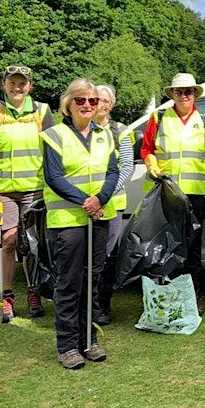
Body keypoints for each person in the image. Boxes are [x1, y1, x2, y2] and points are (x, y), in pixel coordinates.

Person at [41, 79, 119, 369]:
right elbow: (54, 176)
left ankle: (89, 340)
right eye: (81, 100)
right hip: (68, 220)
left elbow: (113, 172)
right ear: (68, 104)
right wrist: (85, 200)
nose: (88, 105)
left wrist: (100, 198)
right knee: (70, 282)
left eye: (93, 101)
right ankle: (67, 345)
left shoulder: (106, 135)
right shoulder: (54, 135)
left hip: (99, 216)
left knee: (93, 280)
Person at [0, 65, 55, 322]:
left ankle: (33, 291)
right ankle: (6, 297)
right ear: (4, 84)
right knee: (9, 242)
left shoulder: (42, 112)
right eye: (12, 83)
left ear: (30, 86)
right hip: (3, 191)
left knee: (31, 243)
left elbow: (53, 151)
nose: (17, 88)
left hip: (33, 188)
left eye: (22, 83)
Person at [140, 73, 205, 300]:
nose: (184, 95)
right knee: (166, 243)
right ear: (172, 94)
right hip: (167, 191)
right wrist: (151, 163)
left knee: (193, 245)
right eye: (179, 91)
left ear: (195, 95)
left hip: (195, 192)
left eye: (188, 91)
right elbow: (146, 148)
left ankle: (194, 293)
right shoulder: (159, 117)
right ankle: (168, 290)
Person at [92, 84, 134, 326]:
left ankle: (102, 306)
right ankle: (85, 304)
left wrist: (102, 197)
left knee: (107, 258)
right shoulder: (81, 128)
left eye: (107, 100)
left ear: (112, 104)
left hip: (111, 205)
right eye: (97, 99)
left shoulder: (120, 131)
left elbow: (126, 167)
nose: (102, 104)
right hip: (82, 205)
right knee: (87, 259)